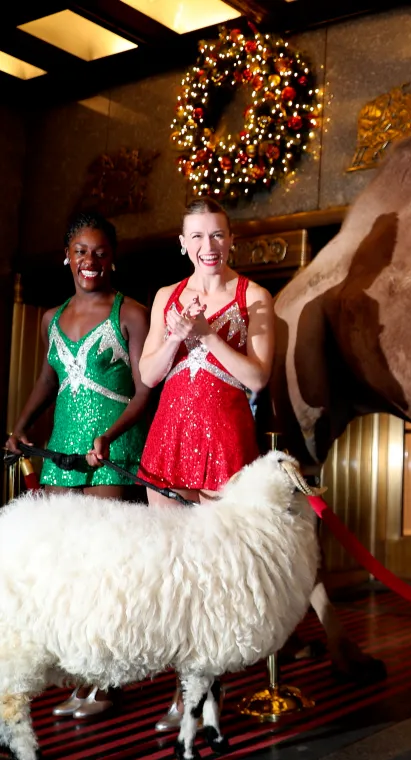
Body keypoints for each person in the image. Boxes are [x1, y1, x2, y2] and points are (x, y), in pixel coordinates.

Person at [6, 211, 151, 720]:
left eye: (101, 252)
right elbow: (48, 382)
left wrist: (110, 435)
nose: (91, 261)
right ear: (66, 256)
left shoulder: (131, 313)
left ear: (114, 257)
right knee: (67, 569)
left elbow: (145, 390)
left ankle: (108, 681)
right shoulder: (50, 317)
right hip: (64, 450)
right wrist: (21, 427)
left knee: (104, 568)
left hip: (113, 449)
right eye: (81, 252)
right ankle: (80, 676)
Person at [137, 197, 275, 730]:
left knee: (217, 576)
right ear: (182, 244)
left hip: (226, 443)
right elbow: (149, 375)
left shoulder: (254, 296)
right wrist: (175, 333)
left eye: (217, 236)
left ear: (231, 240)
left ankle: (210, 690)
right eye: (197, 237)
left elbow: (258, 378)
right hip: (169, 441)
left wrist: (209, 334)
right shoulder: (165, 296)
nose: (208, 247)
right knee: (174, 572)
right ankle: (182, 693)